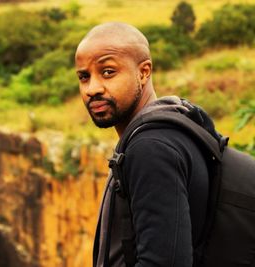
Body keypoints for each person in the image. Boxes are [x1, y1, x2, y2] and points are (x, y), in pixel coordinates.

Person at [75, 22, 210, 266]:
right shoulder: (173, 128)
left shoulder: (151, 148)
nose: (92, 89)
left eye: (108, 72)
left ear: (144, 72)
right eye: (84, 77)